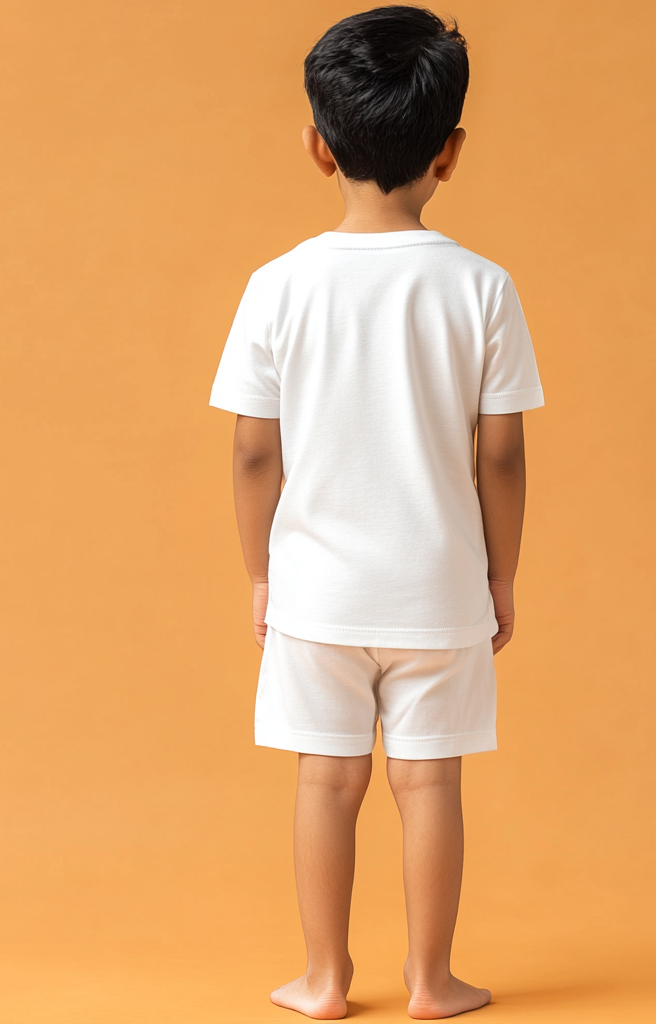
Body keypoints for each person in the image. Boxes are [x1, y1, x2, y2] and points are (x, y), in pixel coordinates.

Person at [210, 6, 544, 1019]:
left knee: (327, 781)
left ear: (319, 146)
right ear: (449, 152)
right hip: (438, 588)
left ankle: (322, 979)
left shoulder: (277, 286)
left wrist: (261, 571)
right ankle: (432, 981)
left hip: (315, 590)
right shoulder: (482, 288)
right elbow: (501, 451)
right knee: (428, 783)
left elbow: (254, 448)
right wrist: (501, 573)